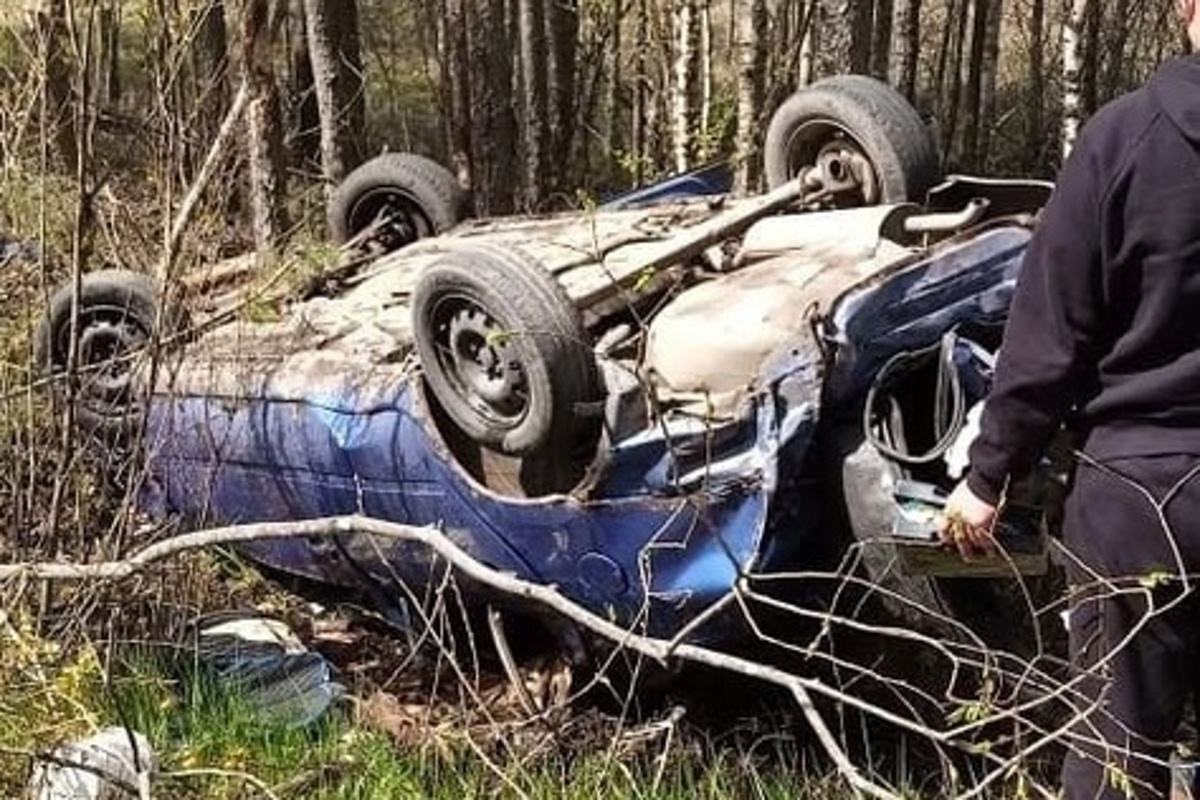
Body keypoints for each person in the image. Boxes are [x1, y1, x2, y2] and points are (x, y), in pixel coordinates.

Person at [938, 3, 1200, 797]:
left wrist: (988, 478)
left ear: (1185, 9)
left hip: (1138, 499)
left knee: (1117, 749)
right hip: (1140, 481)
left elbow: (1050, 336)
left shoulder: (1122, 141)